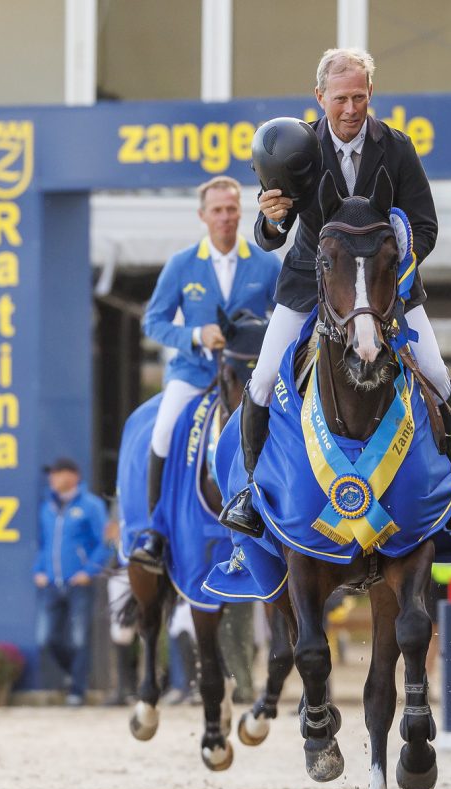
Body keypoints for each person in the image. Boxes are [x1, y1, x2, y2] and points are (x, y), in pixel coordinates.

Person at [221, 47, 451, 536]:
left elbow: (424, 225)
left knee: (439, 376)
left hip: (385, 289)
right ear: (319, 96)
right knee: (259, 382)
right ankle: (249, 492)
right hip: (308, 283)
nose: (350, 109)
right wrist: (273, 220)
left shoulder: (398, 147)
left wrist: (399, 259)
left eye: (359, 97)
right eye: (340, 98)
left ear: (370, 95)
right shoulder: (295, 146)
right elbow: (267, 233)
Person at [129, 175, 281, 573]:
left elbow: (288, 313)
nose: (225, 217)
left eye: (231, 209)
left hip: (249, 376)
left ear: (240, 211)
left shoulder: (265, 263)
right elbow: (153, 323)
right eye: (217, 210)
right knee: (162, 430)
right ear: (203, 215)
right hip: (193, 373)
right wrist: (195, 334)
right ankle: (154, 530)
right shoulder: (182, 264)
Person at [33, 458, 109, 706]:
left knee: (79, 638)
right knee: (46, 638)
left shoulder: (91, 505)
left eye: (58, 474)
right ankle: (73, 674)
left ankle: (78, 689)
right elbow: (44, 544)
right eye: (52, 475)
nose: (53, 479)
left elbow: (105, 542)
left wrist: (89, 571)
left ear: (74, 476)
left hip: (79, 584)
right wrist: (39, 569)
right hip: (52, 584)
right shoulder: (47, 507)